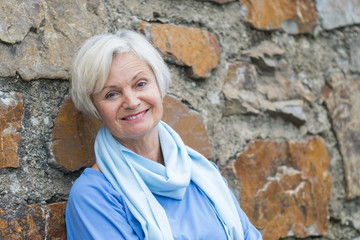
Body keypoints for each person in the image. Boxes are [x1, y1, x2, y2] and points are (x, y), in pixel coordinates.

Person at [65, 29, 262, 240]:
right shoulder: (94, 196)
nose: (132, 102)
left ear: (160, 87)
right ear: (95, 108)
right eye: (111, 94)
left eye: (140, 83)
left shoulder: (203, 173)